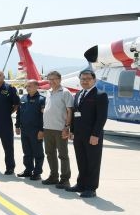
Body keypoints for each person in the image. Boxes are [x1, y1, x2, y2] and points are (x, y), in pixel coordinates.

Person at [66, 69, 108, 198]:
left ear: (94, 80)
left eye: (88, 79)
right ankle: (81, 184)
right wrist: (72, 131)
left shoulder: (100, 95)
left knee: (93, 162)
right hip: (78, 135)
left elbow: (101, 117)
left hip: (92, 135)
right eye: (82, 79)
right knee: (81, 160)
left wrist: (95, 135)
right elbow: (75, 114)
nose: (85, 81)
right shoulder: (78, 94)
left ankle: (91, 188)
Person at [41, 70, 74, 188]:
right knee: (49, 153)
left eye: (54, 79)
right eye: (49, 79)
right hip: (47, 128)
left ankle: (65, 179)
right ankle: (53, 176)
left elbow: (70, 111)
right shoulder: (48, 92)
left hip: (60, 129)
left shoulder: (65, 92)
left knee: (63, 155)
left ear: (60, 80)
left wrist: (67, 127)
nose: (52, 81)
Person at [15, 80, 45, 180]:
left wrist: (42, 130)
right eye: (26, 86)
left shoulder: (42, 99)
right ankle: (28, 170)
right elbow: (19, 113)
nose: (27, 88)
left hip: (36, 131)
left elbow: (43, 117)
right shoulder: (23, 98)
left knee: (38, 153)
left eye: (30, 86)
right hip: (24, 130)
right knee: (27, 152)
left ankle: (37, 172)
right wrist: (17, 126)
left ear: (36, 87)